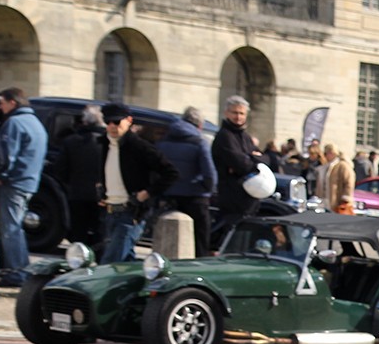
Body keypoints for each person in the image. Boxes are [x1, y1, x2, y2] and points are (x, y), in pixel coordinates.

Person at [95, 102, 178, 264]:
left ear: (129, 121)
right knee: (125, 264)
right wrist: (101, 187)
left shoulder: (139, 147)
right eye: (108, 122)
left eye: (117, 122)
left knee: (110, 263)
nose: (112, 126)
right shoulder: (103, 144)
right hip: (110, 211)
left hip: (131, 213)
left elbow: (171, 173)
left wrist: (145, 194)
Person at [0, 87, 49, 287]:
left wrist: (1, 176)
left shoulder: (14, 123)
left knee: (10, 229)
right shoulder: (35, 122)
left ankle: (17, 272)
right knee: (15, 227)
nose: (0, 107)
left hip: (13, 183)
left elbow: (8, 157)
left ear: (12, 102)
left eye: (2, 102)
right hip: (28, 182)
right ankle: (18, 270)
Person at [47, 104, 107, 251]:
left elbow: (60, 169)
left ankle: (79, 258)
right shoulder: (109, 143)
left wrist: (71, 182)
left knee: (79, 233)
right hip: (103, 195)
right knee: (101, 233)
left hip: (77, 193)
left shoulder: (71, 141)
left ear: (84, 121)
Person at [156, 106, 216, 256]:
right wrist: (207, 189)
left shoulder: (163, 142)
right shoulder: (200, 143)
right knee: (200, 241)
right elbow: (209, 174)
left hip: (168, 196)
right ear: (200, 125)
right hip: (195, 197)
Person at [211, 95, 264, 234]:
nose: (238, 117)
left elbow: (265, 160)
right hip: (232, 197)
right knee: (229, 234)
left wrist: (251, 159)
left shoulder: (245, 136)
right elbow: (241, 165)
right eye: (235, 112)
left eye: (242, 113)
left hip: (249, 198)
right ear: (226, 113)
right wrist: (253, 159)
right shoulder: (225, 136)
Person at [318, 143, 355, 214]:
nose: (325, 156)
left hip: (338, 202)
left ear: (332, 153)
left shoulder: (342, 165)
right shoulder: (326, 166)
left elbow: (349, 182)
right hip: (326, 202)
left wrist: (345, 199)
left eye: (326, 154)